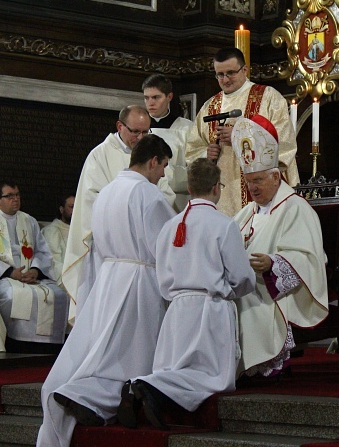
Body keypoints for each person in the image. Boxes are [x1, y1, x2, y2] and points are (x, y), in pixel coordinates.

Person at [37, 135, 175, 446]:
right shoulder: (148, 195)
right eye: (163, 166)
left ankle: (85, 396)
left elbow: (96, 246)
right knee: (130, 354)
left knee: (106, 349)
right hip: (141, 280)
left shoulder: (107, 192)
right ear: (153, 161)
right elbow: (164, 245)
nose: (163, 174)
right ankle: (87, 395)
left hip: (110, 277)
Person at [117, 158, 255, 429]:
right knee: (212, 377)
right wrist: (236, 290)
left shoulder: (169, 225)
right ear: (217, 188)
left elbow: (162, 274)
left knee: (176, 368)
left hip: (177, 310)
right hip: (210, 310)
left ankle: (149, 390)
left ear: (190, 189)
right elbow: (241, 277)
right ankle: (148, 386)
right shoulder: (224, 225)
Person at [230, 115, 328, 378]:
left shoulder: (296, 208)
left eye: (258, 180)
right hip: (248, 281)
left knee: (247, 296)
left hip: (273, 288)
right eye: (249, 181)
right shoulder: (247, 212)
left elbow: (310, 258)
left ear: (276, 176)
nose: (252, 188)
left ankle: (258, 367)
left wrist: (273, 263)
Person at [62, 105, 175, 323]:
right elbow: (90, 202)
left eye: (146, 132)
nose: (141, 138)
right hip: (109, 252)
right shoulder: (100, 155)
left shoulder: (152, 154)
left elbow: (165, 195)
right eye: (135, 132)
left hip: (142, 253)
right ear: (120, 126)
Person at [185, 47, 300, 217]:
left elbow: (284, 145)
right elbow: (192, 150)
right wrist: (206, 154)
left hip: (259, 192)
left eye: (230, 72)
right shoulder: (209, 107)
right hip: (222, 194)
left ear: (244, 70)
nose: (225, 79)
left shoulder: (268, 98)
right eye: (220, 75)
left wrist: (239, 138)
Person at [0, 182, 70, 354]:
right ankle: (17, 346)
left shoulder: (29, 221)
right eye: (10, 196)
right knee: (13, 296)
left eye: (18, 195)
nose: (15, 199)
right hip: (5, 276)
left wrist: (35, 270)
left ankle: (51, 348)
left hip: (31, 275)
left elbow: (42, 251)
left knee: (59, 295)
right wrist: (11, 272)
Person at [143, 73, 194, 211]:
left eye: (156, 97)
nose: (150, 103)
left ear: (169, 97)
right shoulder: (139, 129)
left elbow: (194, 169)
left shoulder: (186, 128)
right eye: (146, 98)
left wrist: (167, 176)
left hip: (178, 203)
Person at [41, 194, 74, 288]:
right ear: (61, 209)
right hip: (67, 277)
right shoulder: (51, 231)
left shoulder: (83, 231)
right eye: (71, 207)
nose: (75, 210)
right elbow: (53, 261)